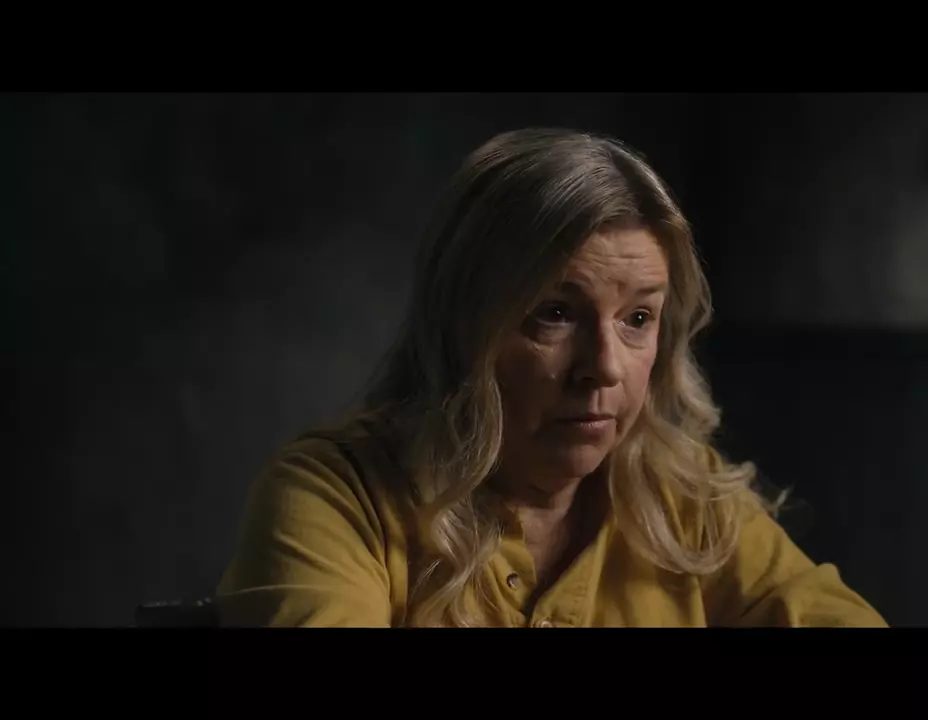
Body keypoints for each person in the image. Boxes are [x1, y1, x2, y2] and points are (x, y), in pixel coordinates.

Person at [216, 128, 888, 628]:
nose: (605, 367)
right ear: (464, 323)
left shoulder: (682, 501)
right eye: (556, 313)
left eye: (638, 318)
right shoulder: (338, 498)